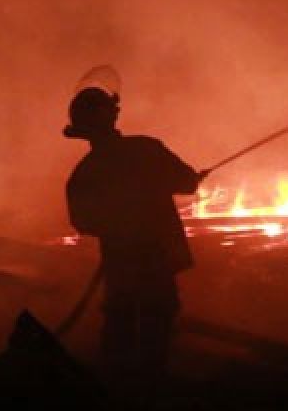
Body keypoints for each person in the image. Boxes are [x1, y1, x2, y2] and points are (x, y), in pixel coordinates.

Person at [63, 85, 204, 388]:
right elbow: (186, 182)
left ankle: (115, 393)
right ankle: (150, 389)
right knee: (158, 321)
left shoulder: (84, 174)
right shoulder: (146, 150)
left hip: (120, 264)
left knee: (119, 323)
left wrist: (116, 226)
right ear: (112, 117)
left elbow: (83, 222)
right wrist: (192, 178)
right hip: (158, 258)